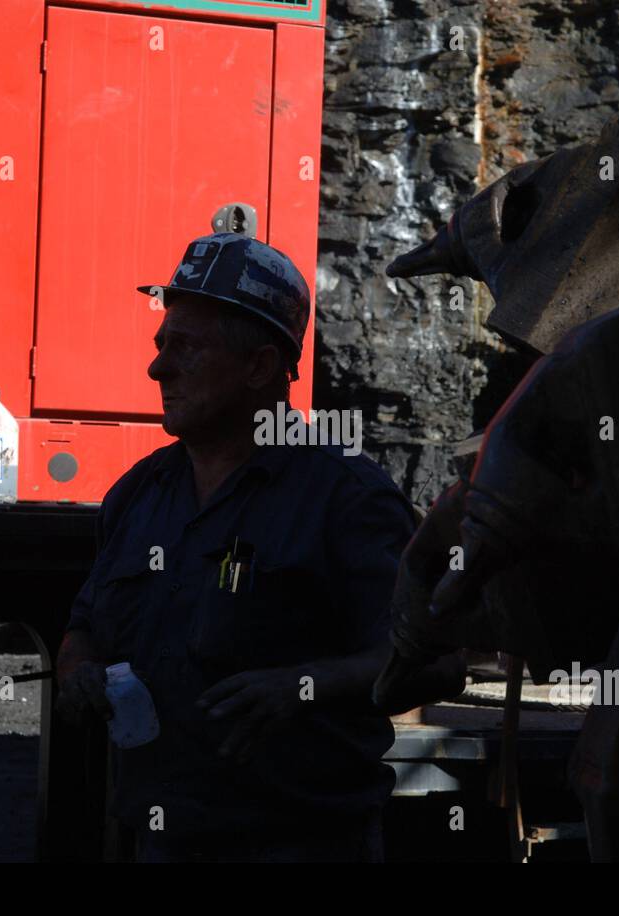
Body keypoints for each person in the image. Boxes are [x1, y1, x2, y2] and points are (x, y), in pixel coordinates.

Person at [55, 233, 415, 862]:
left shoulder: (347, 499)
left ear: (258, 367)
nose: (158, 367)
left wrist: (302, 685)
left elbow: (427, 661)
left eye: (186, 348)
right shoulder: (138, 497)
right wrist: (79, 673)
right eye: (162, 345)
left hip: (303, 845)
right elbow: (84, 627)